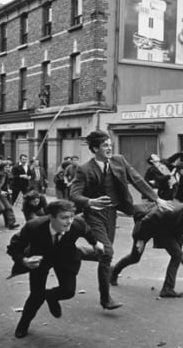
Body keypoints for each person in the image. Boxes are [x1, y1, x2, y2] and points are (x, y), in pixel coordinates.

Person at [70, 130, 173, 310]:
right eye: (105, 146)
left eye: (110, 145)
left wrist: (156, 199)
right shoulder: (84, 169)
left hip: (112, 213)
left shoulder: (119, 161)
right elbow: (74, 194)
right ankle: (105, 298)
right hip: (94, 214)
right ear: (95, 148)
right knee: (107, 253)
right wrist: (90, 201)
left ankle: (75, 253)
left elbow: (137, 179)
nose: (109, 148)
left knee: (103, 254)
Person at [7, 200, 104, 338]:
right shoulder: (34, 227)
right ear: (51, 218)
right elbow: (14, 247)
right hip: (41, 259)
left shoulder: (77, 224)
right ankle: (23, 324)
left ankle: (51, 296)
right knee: (36, 296)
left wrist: (95, 243)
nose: (69, 221)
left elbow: (88, 232)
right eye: (64, 218)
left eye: (71, 216)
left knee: (68, 291)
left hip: (65, 257)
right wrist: (24, 260)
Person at [111, 201, 183, 297]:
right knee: (135, 257)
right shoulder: (167, 211)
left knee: (177, 255)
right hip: (146, 226)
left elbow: (178, 235)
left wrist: (181, 253)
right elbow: (144, 222)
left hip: (163, 229)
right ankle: (113, 272)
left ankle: (167, 289)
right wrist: (140, 239)